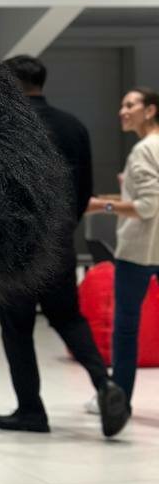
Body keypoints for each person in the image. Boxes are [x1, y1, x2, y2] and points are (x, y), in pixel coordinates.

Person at [0, 56, 129, 437]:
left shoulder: (3, 126)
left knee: (16, 328)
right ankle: (105, 384)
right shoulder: (73, 126)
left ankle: (31, 411)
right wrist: (64, 227)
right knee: (68, 318)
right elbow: (84, 190)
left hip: (13, 247)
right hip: (58, 243)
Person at [87, 86, 159, 411]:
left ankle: (120, 400)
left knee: (126, 329)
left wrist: (101, 206)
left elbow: (146, 207)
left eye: (130, 105)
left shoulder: (143, 151)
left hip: (140, 251)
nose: (123, 111)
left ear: (150, 110)